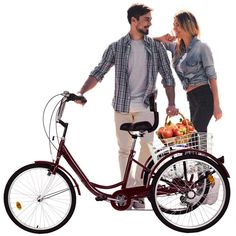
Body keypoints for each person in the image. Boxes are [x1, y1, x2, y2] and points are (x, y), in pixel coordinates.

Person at [76, 4, 178, 209]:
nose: (150, 22)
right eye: (147, 19)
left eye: (150, 19)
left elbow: (168, 77)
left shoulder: (156, 47)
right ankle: (129, 192)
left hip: (146, 106)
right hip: (122, 107)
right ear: (134, 21)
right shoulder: (116, 47)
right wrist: (81, 92)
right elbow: (99, 72)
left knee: (147, 149)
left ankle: (139, 190)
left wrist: (171, 103)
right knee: (124, 150)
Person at [154, 11, 222, 134]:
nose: (174, 28)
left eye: (177, 25)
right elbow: (152, 43)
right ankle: (199, 154)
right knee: (196, 138)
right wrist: (162, 38)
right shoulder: (176, 48)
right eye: (174, 25)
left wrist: (217, 106)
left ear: (187, 25)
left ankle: (199, 154)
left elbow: (212, 77)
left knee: (194, 135)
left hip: (204, 96)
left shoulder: (202, 47)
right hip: (191, 97)